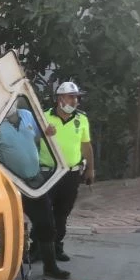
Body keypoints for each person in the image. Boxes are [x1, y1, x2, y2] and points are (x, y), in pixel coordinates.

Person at [0, 104, 70, 279]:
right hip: (11, 184)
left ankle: (50, 266)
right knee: (9, 227)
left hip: (35, 181)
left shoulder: (26, 115)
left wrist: (47, 133)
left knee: (46, 223)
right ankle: (4, 272)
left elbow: (38, 137)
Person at [36, 82, 95, 262]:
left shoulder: (81, 119)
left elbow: (86, 145)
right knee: (43, 212)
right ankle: (37, 248)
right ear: (60, 98)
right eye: (71, 97)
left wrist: (90, 169)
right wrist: (43, 133)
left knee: (62, 212)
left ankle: (56, 247)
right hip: (48, 172)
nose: (75, 100)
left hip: (71, 174)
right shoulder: (44, 117)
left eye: (76, 97)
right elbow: (31, 139)